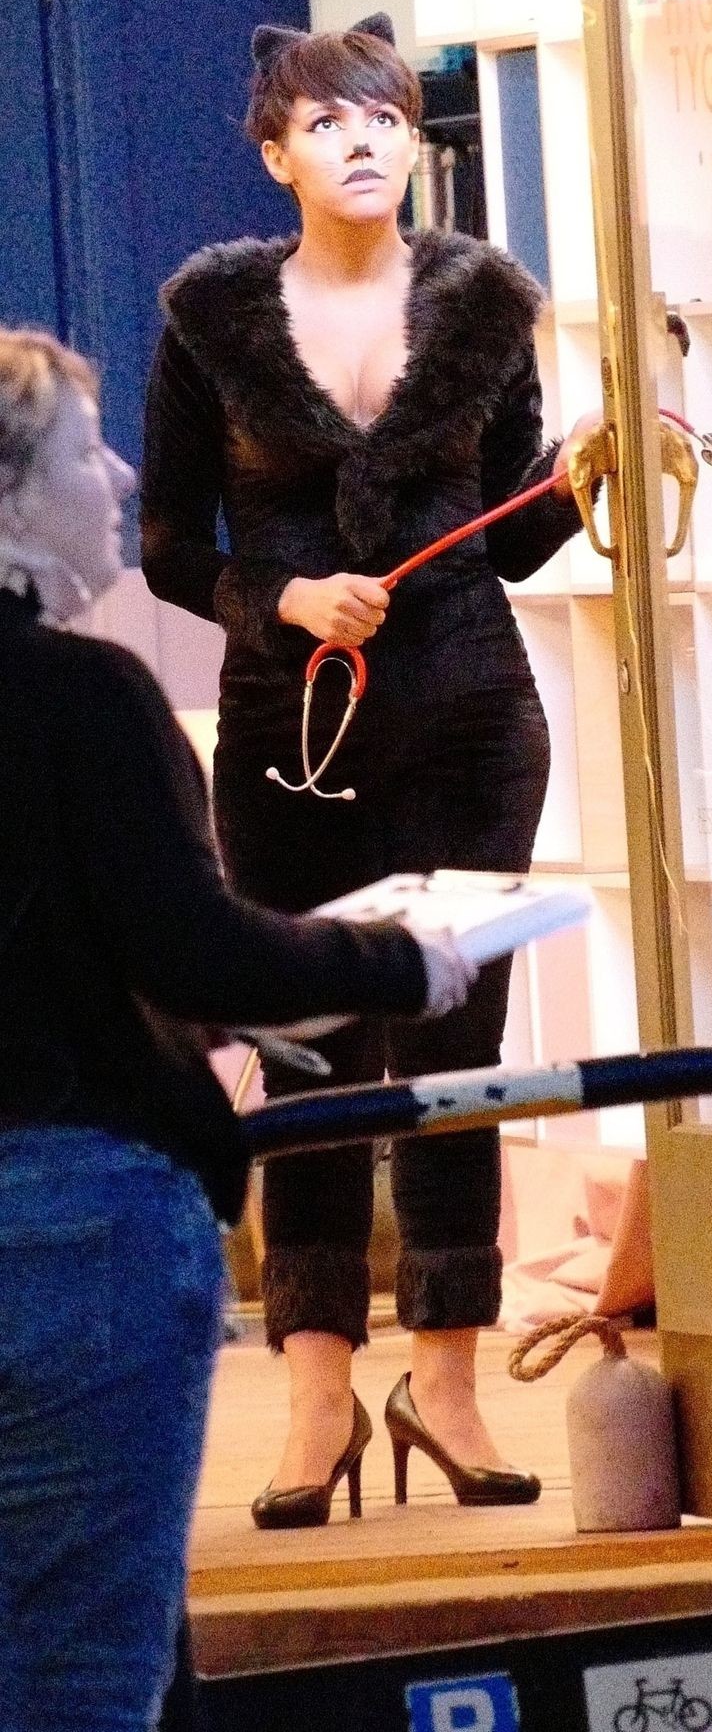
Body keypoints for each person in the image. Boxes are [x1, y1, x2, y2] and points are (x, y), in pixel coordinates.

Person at [140, 15, 590, 1524]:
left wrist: (580, 482)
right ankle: (319, 1391)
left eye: (386, 118)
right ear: (275, 154)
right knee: (311, 1044)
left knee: (459, 1046)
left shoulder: (482, 304)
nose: (363, 142)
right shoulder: (212, 316)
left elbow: (513, 536)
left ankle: (445, 1379)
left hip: (470, 724)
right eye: (328, 121)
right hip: (292, 737)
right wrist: (280, 597)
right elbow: (167, 546)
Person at [0, 327, 474, 1730]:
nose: (119, 475)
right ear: (10, 499)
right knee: (84, 1678)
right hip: (70, 1234)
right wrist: (405, 961)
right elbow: (191, 950)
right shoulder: (81, 697)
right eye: (82, 450)